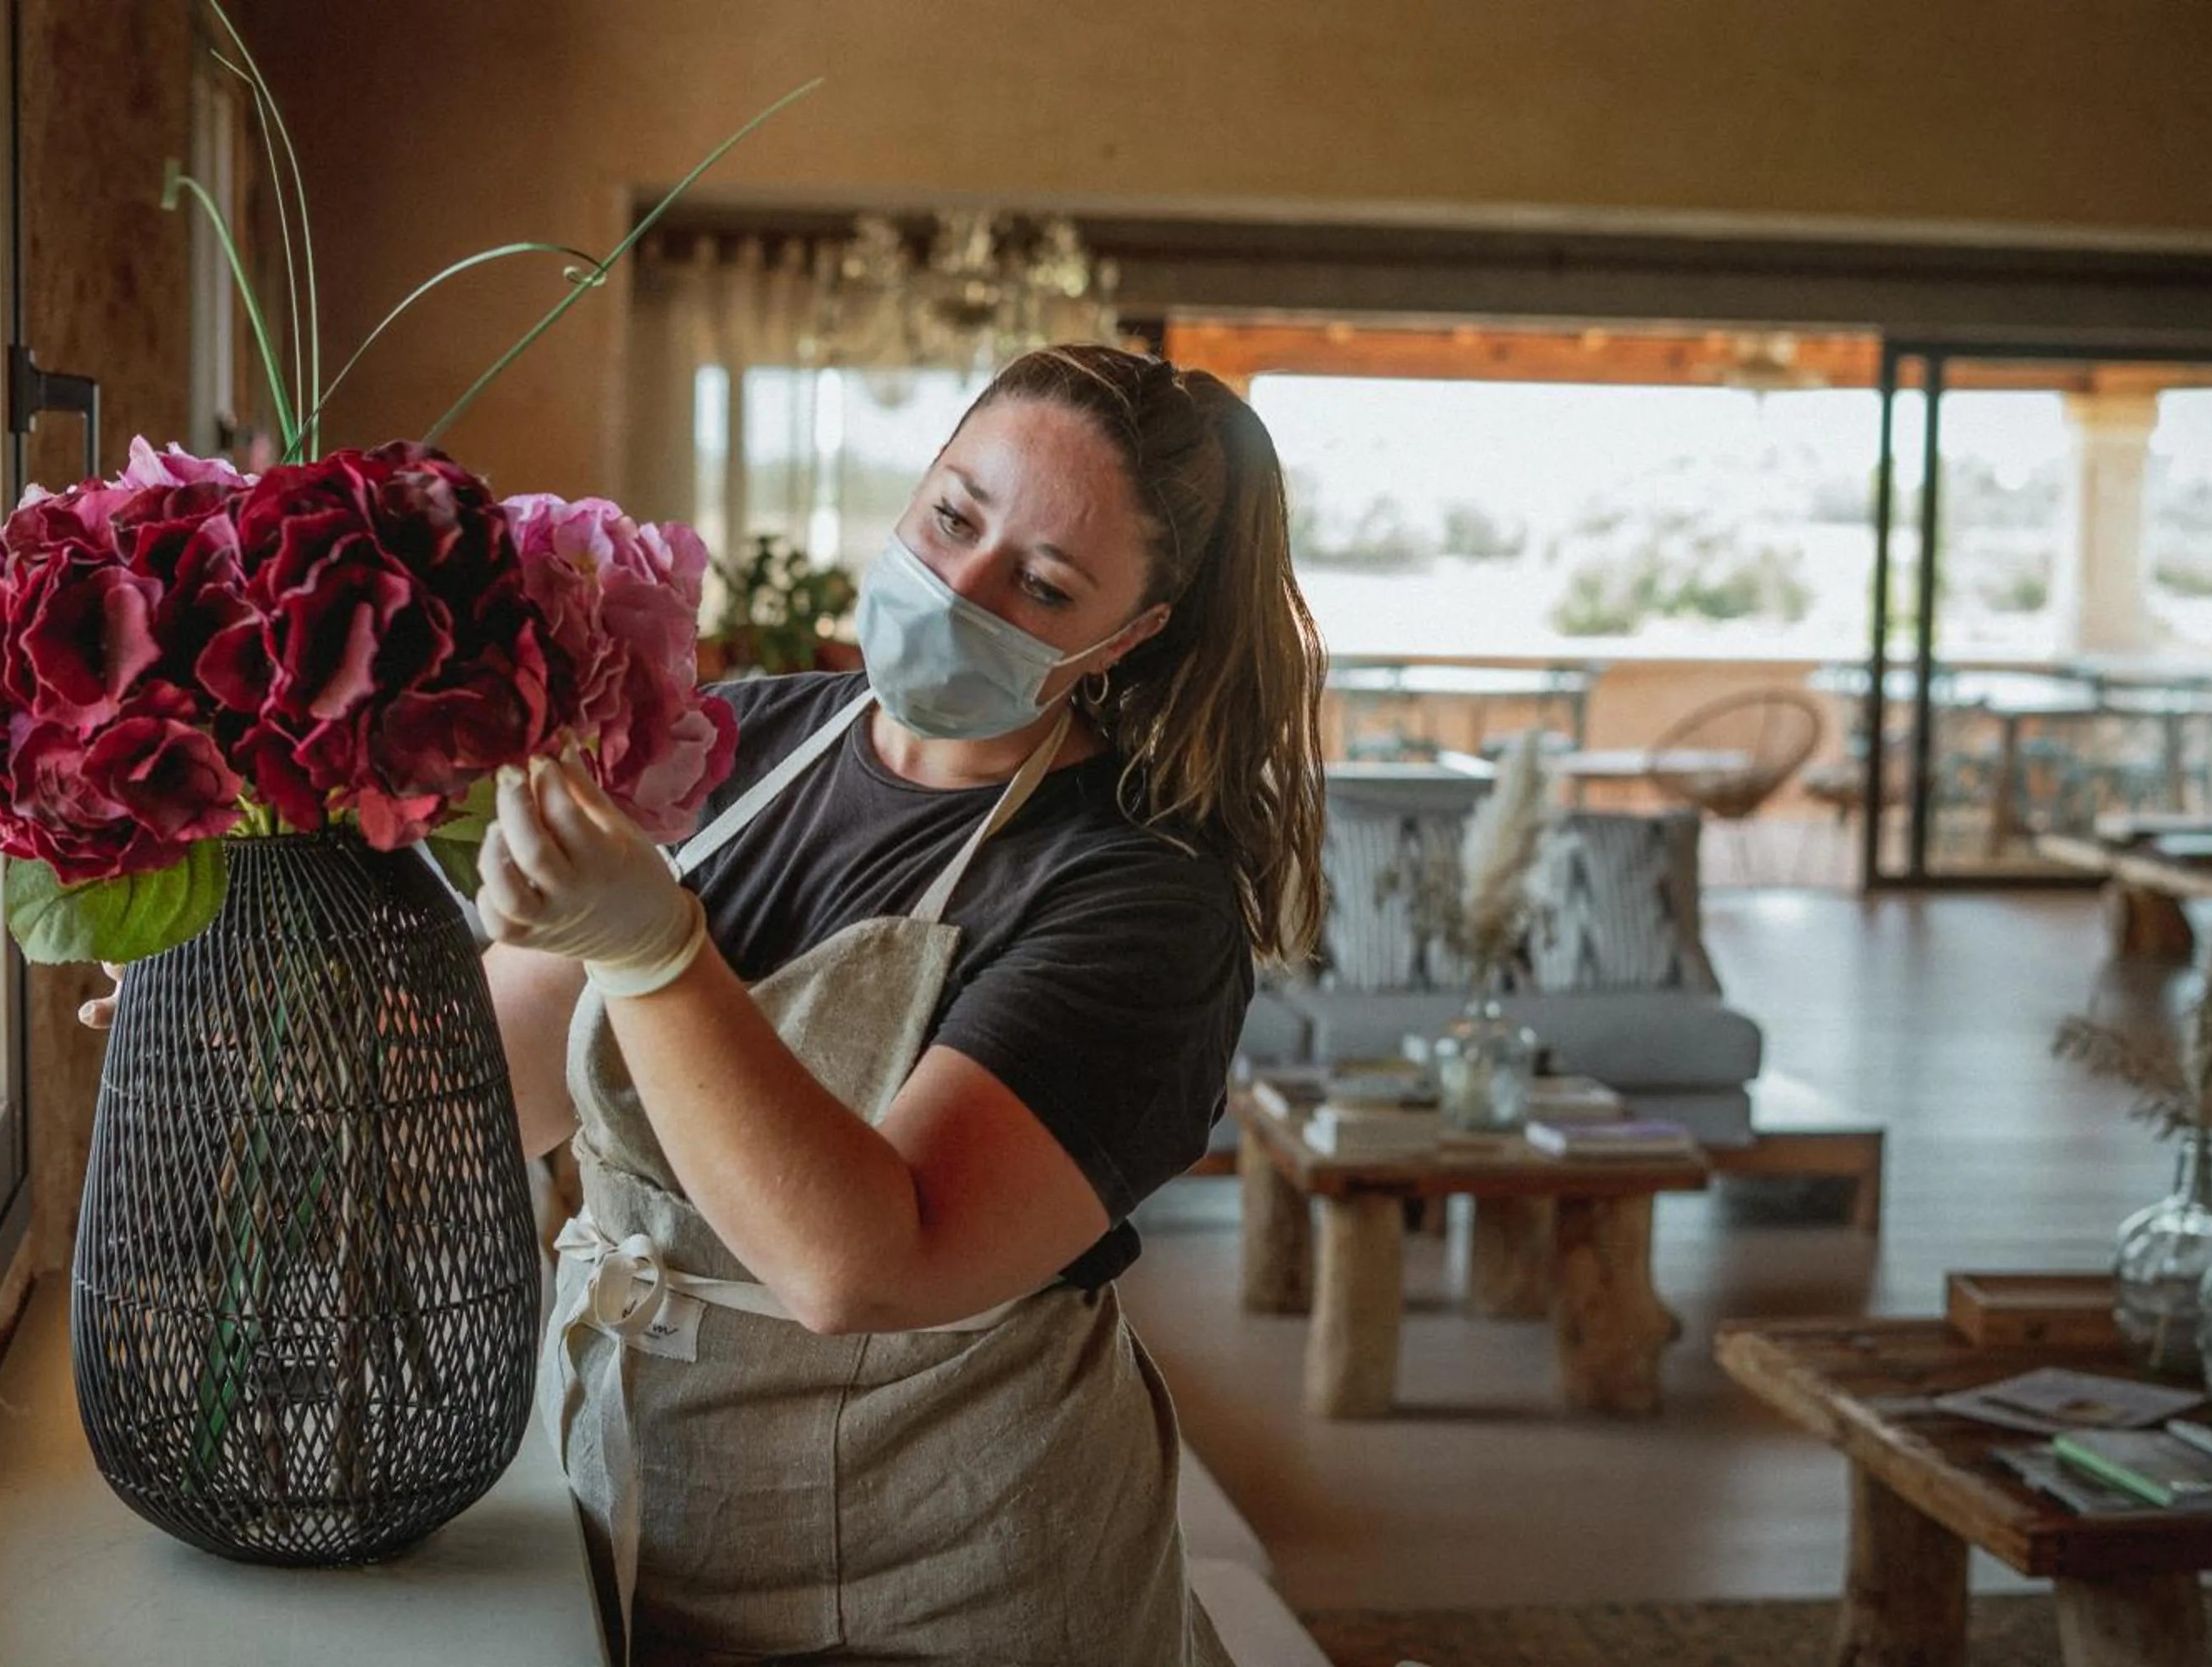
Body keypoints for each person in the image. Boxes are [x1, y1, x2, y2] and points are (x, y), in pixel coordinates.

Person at [92, 344, 1327, 1664]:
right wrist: (250, 1013)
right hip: (633, 1506)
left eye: (1043, 586)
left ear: (1126, 638)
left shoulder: (1141, 901)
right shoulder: (737, 743)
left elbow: (864, 1263)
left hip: (954, 1587)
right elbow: (493, 1091)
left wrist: (655, 954)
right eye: (954, 516)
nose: (959, 587)